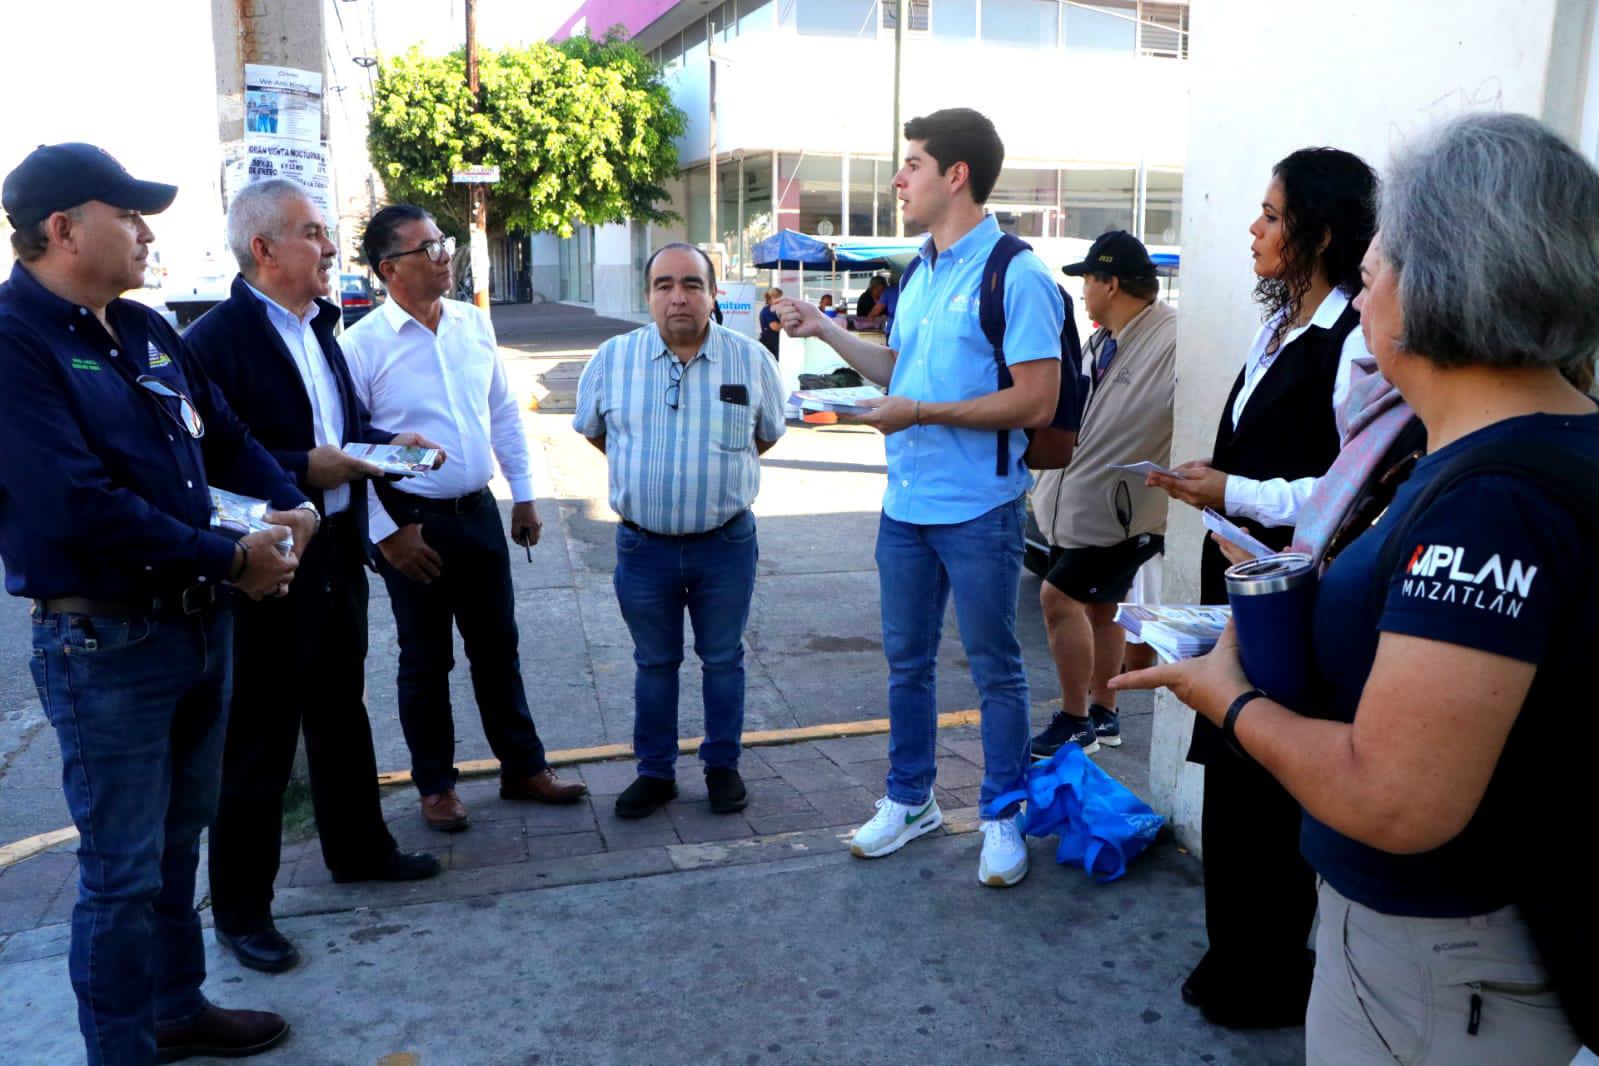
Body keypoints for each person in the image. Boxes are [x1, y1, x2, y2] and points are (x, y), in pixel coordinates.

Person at [1115, 111, 1597, 1064]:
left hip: (1439, 969)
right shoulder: (1493, 448)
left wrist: (1228, 698)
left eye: (1376, 265)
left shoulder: (1490, 498)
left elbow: (1397, 800)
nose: (1362, 285)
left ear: (1436, 287)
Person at [0, 143, 314, 1062]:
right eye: (127, 215)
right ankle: (123, 1048)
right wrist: (231, 558)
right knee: (122, 873)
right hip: (105, 645)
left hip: (196, 628)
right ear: (62, 231)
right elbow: (76, 505)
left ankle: (178, 1008)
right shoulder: (15, 344)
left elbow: (227, 437)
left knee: (180, 845)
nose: (145, 232)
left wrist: (286, 512)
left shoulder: (143, 330)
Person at [777, 108, 1063, 888]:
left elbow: (1036, 402)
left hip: (979, 508)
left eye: (911, 165)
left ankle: (1002, 813)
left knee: (995, 669)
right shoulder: (917, 270)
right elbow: (897, 371)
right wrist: (825, 330)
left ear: (955, 175)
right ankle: (911, 801)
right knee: (906, 666)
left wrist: (921, 413)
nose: (899, 179)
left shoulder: (1019, 273)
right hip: (905, 506)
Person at [1144, 146, 1378, 1029]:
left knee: (1271, 786)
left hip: (1298, 600)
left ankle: (1269, 970)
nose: (1253, 229)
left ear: (1317, 233)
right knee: (1232, 778)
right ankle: (1236, 955)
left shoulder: (1354, 338)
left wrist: (1231, 490)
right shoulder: (1279, 325)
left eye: (1272, 216)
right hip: (1241, 580)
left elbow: (1345, 486)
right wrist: (1219, 475)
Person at [185, 179, 442, 976]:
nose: (331, 247)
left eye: (328, 233)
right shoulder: (215, 341)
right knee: (259, 736)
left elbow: (333, 434)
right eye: (313, 232)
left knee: (340, 706)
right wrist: (306, 467)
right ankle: (242, 911)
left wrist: (381, 444)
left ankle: (358, 849)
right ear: (263, 249)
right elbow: (204, 467)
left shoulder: (321, 326)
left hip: (332, 551)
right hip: (270, 561)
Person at [342, 204, 587, 834]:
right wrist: (385, 534)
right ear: (388, 268)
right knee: (425, 662)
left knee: (497, 648)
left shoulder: (473, 325)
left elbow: (502, 412)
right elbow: (346, 451)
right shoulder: (360, 346)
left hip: (477, 512)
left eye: (443, 242)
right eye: (427, 247)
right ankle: (436, 786)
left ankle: (523, 768)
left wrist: (525, 495)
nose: (443, 254)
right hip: (410, 523)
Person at [572, 243, 785, 818]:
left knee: (722, 660)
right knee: (654, 663)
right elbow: (597, 432)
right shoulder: (613, 359)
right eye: (664, 285)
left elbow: (765, 435)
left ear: (714, 293)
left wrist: (713, 477)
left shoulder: (751, 360)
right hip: (644, 548)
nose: (678, 297)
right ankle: (655, 773)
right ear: (648, 296)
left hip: (725, 545)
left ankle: (722, 767)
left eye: (692, 284)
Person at [1028, 231, 1175, 758]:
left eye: (1087, 280)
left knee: (1058, 598)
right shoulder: (1101, 342)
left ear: (1110, 284)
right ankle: (1104, 712)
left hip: (1121, 514)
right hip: (1082, 508)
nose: (1083, 291)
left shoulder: (1171, 339)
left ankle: (1074, 720)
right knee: (1102, 608)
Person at [758, 287, 783, 358]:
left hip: (772, 342)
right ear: (771, 298)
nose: (780, 300)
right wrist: (786, 324)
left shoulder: (772, 309)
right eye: (778, 297)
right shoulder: (768, 311)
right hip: (769, 343)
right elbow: (774, 327)